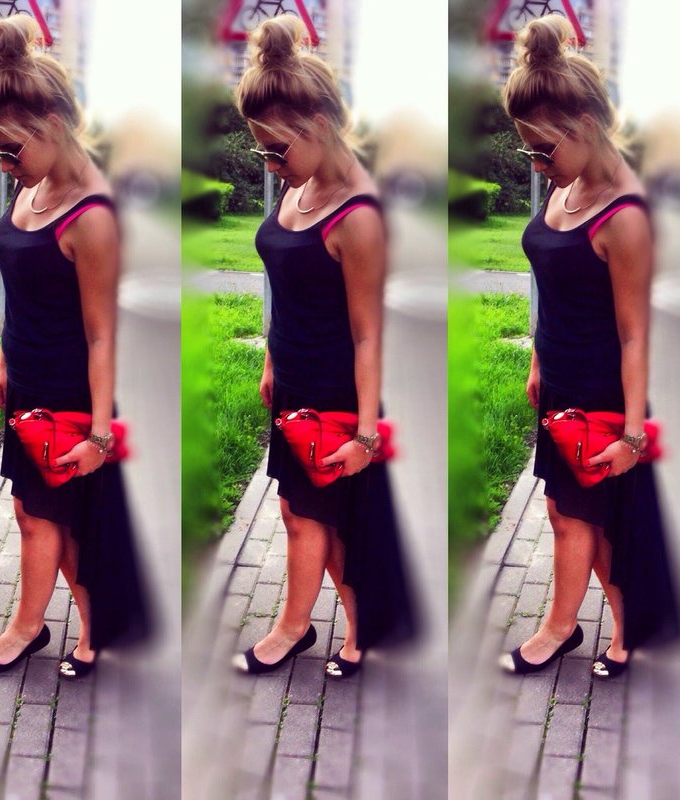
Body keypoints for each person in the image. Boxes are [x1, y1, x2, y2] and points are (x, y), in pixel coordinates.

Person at [230, 16, 417, 679]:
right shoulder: (300, 182)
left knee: (322, 517)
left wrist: (366, 435)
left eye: (276, 150)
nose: (270, 164)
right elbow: (290, 286)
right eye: (262, 151)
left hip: (337, 390)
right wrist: (271, 361)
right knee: (298, 510)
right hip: (293, 381)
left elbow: (369, 332)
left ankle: (303, 627)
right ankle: (345, 624)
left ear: (317, 126)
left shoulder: (358, 215)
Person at [0, 15, 150, 678]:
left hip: (70, 391)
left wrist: (99, 434)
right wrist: (5, 361)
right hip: (27, 381)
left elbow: (103, 332)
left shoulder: (91, 215)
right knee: (33, 511)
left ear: (51, 126)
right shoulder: (34, 184)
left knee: (54, 518)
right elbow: (23, 288)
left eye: (10, 150)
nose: (4, 165)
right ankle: (84, 625)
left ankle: (32, 628)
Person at [497, 16, 680, 679]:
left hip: (604, 391)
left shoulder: (625, 215)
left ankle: (567, 628)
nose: (536, 164)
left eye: (543, 150)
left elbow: (635, 332)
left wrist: (633, 436)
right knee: (564, 510)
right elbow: (556, 285)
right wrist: (538, 361)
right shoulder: (565, 181)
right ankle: (612, 623)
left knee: (589, 517)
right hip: (560, 381)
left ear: (583, 127)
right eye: (529, 151)